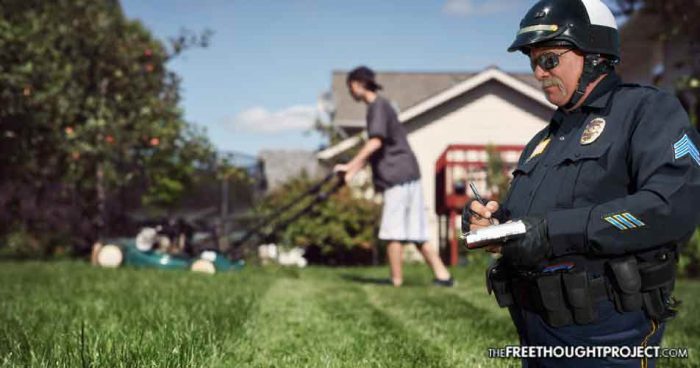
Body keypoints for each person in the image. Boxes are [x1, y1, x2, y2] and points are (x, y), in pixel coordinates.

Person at [465, 0, 700, 367]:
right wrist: (492, 223)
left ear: (594, 56)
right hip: (536, 328)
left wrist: (553, 232)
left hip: (608, 328)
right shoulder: (546, 139)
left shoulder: (648, 111)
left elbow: (671, 207)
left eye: (549, 59)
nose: (538, 73)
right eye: (533, 61)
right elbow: (530, 221)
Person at [335, 66, 453, 287]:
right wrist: (351, 171)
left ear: (358, 84)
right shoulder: (382, 106)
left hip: (397, 176)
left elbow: (375, 142)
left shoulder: (377, 107)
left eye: (350, 86)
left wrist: (350, 165)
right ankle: (443, 276)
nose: (350, 91)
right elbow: (376, 149)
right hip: (407, 173)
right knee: (416, 232)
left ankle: (396, 282)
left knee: (392, 231)